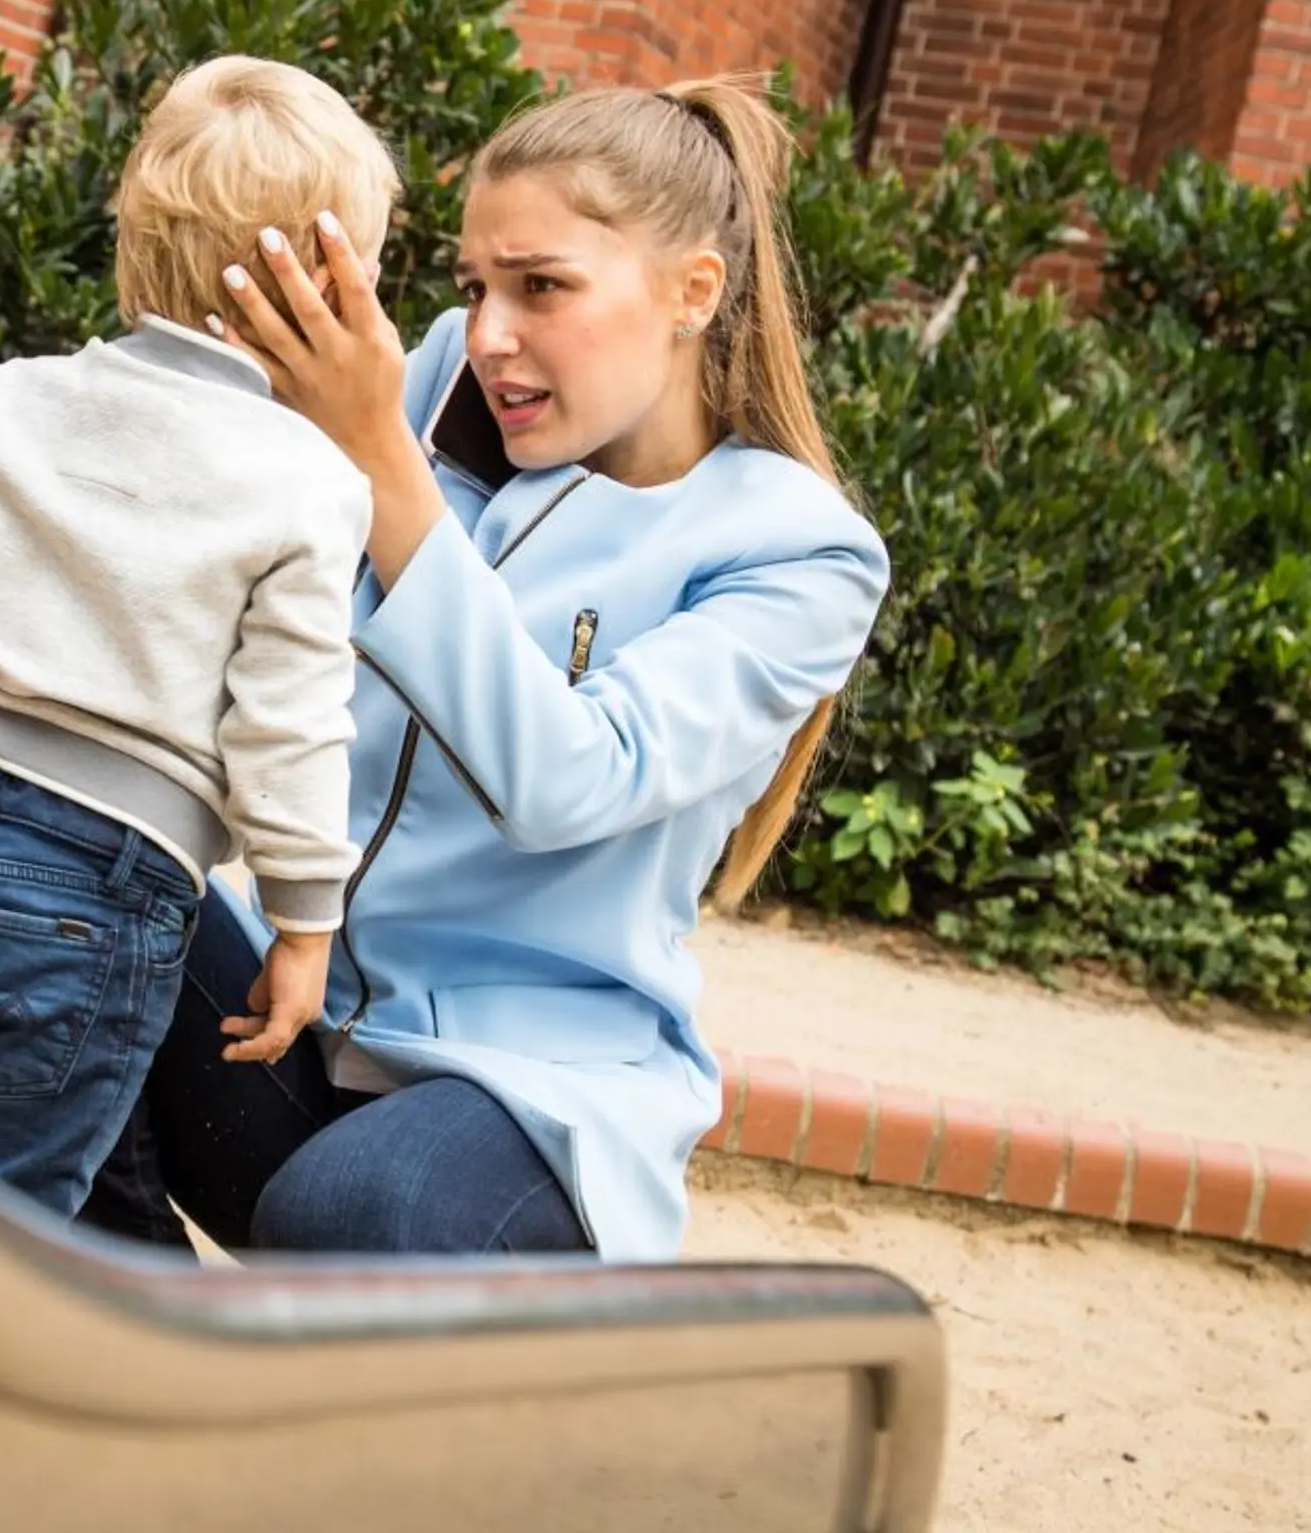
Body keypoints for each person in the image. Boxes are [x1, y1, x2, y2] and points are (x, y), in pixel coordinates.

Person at [83, 74, 891, 1262]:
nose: (489, 332)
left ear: (692, 292)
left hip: (530, 1101)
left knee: (352, 1209)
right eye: (474, 288)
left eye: (542, 286)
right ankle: (136, 1365)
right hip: (298, 1022)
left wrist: (386, 473)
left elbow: (570, 781)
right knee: (41, 910)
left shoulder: (797, 551)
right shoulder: (429, 392)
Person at [0, 56, 394, 1218]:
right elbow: (285, 720)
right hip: (93, 885)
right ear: (319, 288)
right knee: (12, 1229)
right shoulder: (308, 483)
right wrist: (302, 921)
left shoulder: (14, 396)